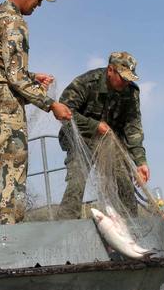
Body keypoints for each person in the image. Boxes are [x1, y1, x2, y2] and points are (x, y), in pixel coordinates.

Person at [0, 0, 72, 225]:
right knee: (11, 182)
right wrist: (51, 104)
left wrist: (32, 76)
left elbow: (1, 70)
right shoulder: (15, 22)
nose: (39, 4)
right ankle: (9, 244)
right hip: (5, 111)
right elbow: (14, 77)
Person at [56, 52, 149, 219]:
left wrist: (140, 162)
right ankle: (65, 227)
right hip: (80, 139)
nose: (126, 82)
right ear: (110, 70)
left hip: (109, 142)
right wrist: (94, 125)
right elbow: (63, 112)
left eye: (130, 79)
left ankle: (131, 228)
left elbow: (132, 126)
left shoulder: (131, 92)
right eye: (123, 77)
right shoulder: (85, 83)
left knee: (124, 182)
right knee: (77, 181)